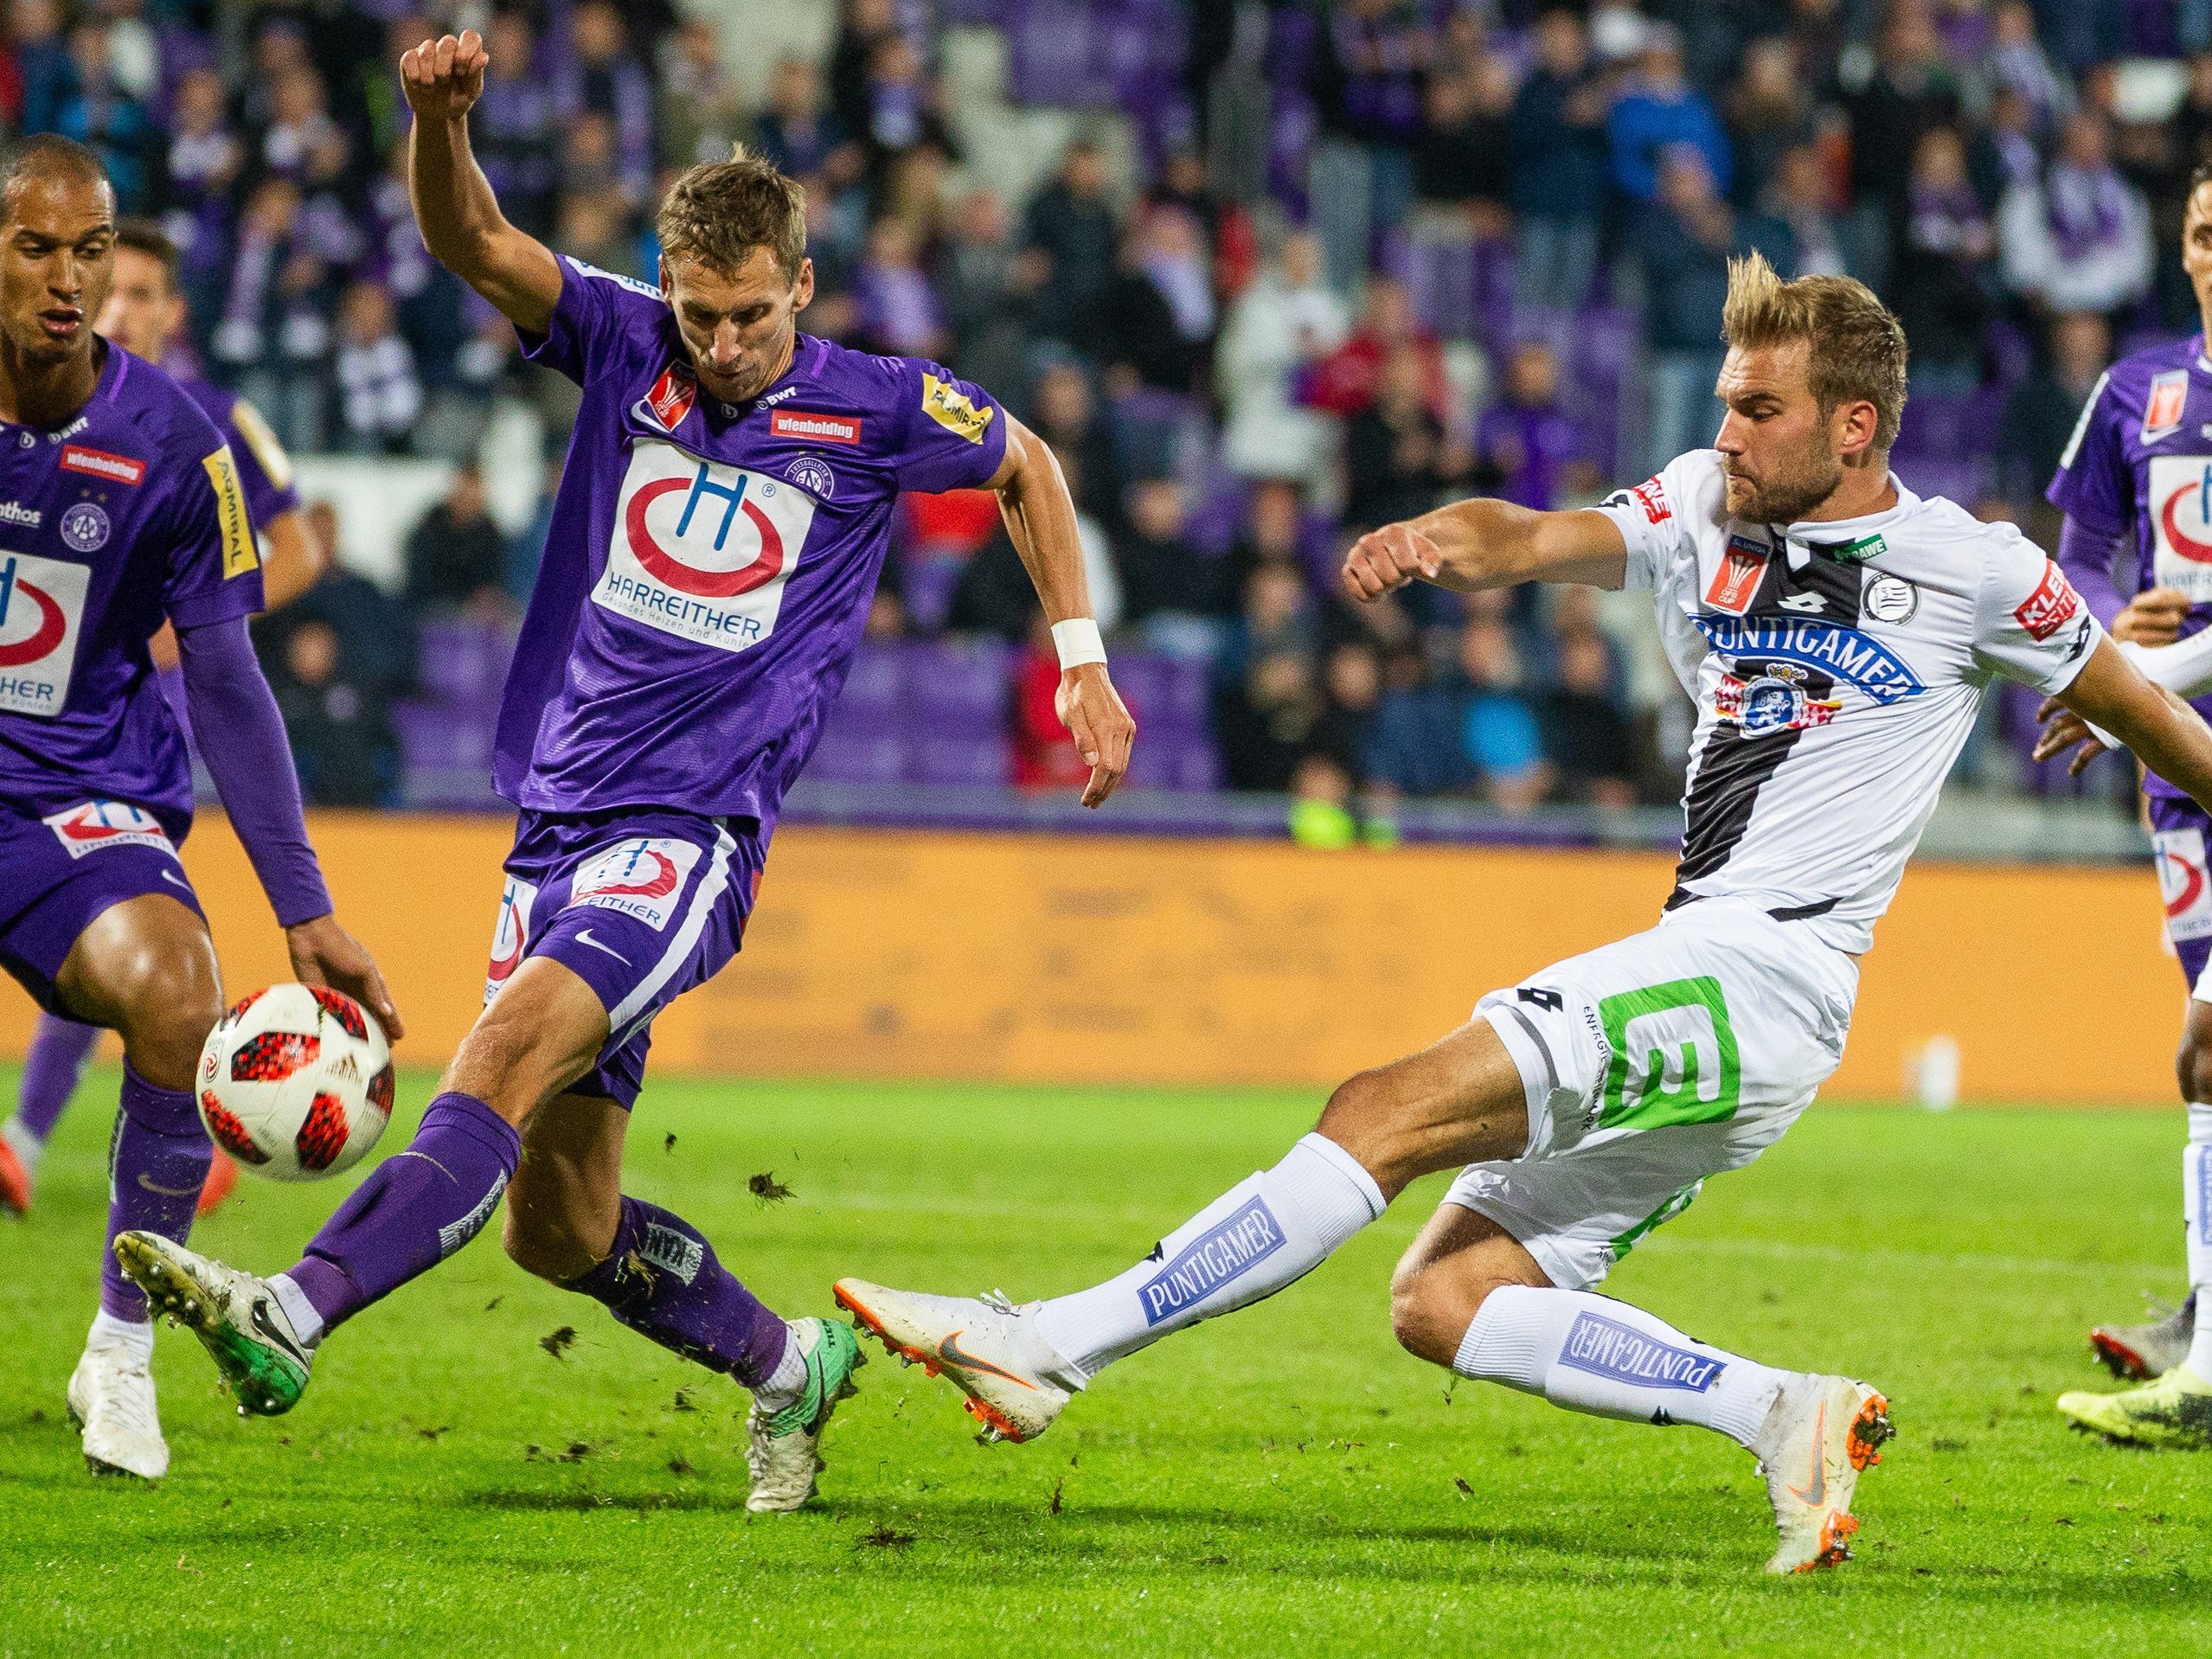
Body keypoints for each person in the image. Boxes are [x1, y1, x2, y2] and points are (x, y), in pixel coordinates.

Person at [836, 253, 2212, 1573]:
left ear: (1854, 427)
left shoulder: (1972, 569)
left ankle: (1051, 1345)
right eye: (1725, 398)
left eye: (1758, 407)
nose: (1723, 428)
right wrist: (1450, 537)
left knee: (1376, 1108)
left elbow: (2146, 712)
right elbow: (1543, 535)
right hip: (1722, 980)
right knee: (1443, 1298)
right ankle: (1784, 1413)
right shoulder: (1698, 504)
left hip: (1766, 973)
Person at [117, 34, 1133, 1518]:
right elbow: (466, 234)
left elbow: (1026, 462)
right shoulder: (618, 338)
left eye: (747, 318)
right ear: (667, 280)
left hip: (692, 833)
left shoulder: (875, 405)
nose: (719, 347)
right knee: (559, 1223)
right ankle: (789, 1365)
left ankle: (293, 1309)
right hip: (555, 819)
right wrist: (433, 121)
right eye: (698, 314)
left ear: (799, 286)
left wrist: (1083, 655)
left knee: (503, 1050)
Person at [0, 136, 394, 1482]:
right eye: (36, 248)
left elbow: (228, 679)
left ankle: (118, 1356)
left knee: (179, 988)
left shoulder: (175, 443)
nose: (69, 281)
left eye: (88, 251)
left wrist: (308, 906)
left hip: (68, 796)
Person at [1, 215, 327, 1220]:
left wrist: (199, 621)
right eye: (113, 286)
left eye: (141, 292)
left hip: (158, 717)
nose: (118, 305)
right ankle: (122, 1124)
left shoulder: (211, 420)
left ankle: (58, 1133)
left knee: (130, 917)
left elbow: (302, 545)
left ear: (171, 310)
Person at [2036, 162, 2212, 1444]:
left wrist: (2129, 680)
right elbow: (2072, 572)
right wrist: (2111, 638)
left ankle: (2205, 1345)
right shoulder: (2134, 392)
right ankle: (2207, 1327)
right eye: (2205, 233)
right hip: (2180, 766)